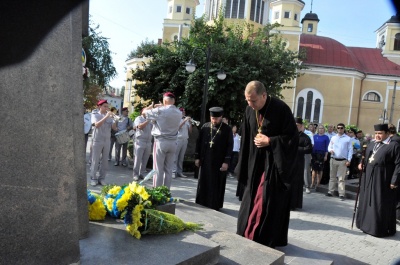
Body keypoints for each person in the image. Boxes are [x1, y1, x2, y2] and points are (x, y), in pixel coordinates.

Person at [235, 81, 298, 248]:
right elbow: (246, 139)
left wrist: (270, 141)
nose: (250, 104)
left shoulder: (280, 108)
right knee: (251, 197)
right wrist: (243, 165)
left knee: (264, 200)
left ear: (264, 95)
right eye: (247, 100)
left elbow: (292, 138)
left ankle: (258, 236)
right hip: (254, 163)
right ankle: (245, 232)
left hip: (273, 165)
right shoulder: (249, 110)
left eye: (253, 100)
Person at [356, 123, 399, 237]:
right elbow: (365, 157)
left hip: (383, 179)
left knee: (379, 203)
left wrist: (394, 181)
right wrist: (361, 163)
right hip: (368, 176)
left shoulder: (394, 145)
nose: (377, 136)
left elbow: (398, 164)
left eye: (380, 133)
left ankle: (379, 229)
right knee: (367, 201)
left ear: (387, 133)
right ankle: (365, 225)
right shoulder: (372, 143)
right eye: (376, 133)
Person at [195, 107, 233, 210]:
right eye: (212, 118)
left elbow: (229, 147)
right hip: (205, 159)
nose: (214, 120)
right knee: (204, 181)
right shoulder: (205, 127)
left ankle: (215, 204)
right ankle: (201, 202)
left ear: (221, 117)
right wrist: (197, 157)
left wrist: (226, 162)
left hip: (219, 162)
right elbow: (199, 142)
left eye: (216, 118)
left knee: (216, 183)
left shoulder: (226, 129)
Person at [142, 92, 182, 188]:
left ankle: (156, 192)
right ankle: (166, 191)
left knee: (158, 169)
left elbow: (143, 112)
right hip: (173, 142)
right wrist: (162, 106)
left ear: (164, 100)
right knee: (168, 169)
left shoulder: (160, 110)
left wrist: (152, 107)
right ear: (174, 101)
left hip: (161, 141)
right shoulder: (179, 112)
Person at [90, 99, 117, 186]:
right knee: (95, 160)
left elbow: (114, 128)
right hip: (97, 140)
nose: (106, 108)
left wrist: (115, 119)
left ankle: (102, 178)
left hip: (107, 140)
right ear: (99, 106)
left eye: (107, 106)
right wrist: (106, 117)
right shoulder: (95, 114)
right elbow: (96, 125)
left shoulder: (109, 116)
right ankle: (93, 178)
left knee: (105, 161)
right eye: (105, 106)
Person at [290, 117, 313, 210]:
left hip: (299, 162)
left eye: (297, 126)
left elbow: (309, 149)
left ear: (301, 126)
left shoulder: (305, 137)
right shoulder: (289, 135)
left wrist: (296, 148)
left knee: (296, 183)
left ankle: (295, 203)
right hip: (289, 162)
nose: (296, 127)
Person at [326, 123, 353, 200]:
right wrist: (330, 150)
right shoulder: (333, 137)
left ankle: (341, 193)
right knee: (332, 177)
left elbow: (350, 150)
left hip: (343, 161)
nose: (340, 129)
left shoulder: (348, 138)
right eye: (338, 128)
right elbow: (329, 146)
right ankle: (330, 191)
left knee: (341, 178)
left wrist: (349, 160)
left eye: (341, 128)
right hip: (333, 159)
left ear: (344, 129)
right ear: (336, 129)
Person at [132, 109, 153, 181]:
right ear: (142, 111)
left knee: (145, 159)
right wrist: (148, 121)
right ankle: (135, 174)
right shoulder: (139, 118)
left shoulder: (150, 119)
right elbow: (140, 127)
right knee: (138, 159)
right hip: (140, 140)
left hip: (148, 141)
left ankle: (142, 173)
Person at [173, 107, 192, 178]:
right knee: (175, 156)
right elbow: (177, 128)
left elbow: (190, 131)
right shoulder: (177, 120)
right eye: (182, 111)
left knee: (181, 157)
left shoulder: (186, 121)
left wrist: (190, 123)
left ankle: (179, 172)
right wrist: (184, 121)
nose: (184, 112)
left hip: (185, 140)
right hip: (178, 139)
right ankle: (173, 171)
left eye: (184, 111)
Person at [311, 124, 329, 189]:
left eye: (322, 128)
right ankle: (312, 183)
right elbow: (312, 145)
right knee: (314, 169)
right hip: (314, 154)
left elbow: (327, 147)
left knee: (320, 170)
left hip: (321, 154)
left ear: (324, 130)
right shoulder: (314, 136)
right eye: (320, 128)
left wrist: (326, 156)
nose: (321, 130)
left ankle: (318, 184)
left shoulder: (326, 137)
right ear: (318, 129)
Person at [303, 124, 314, 194]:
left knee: (306, 170)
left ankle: (307, 186)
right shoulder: (295, 132)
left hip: (306, 153)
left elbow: (312, 144)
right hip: (297, 153)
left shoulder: (309, 133)